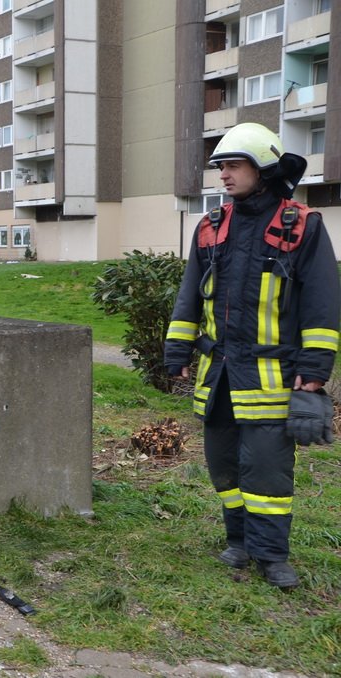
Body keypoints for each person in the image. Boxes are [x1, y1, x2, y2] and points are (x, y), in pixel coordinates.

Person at [164, 122, 339, 590]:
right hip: (218, 374)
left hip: (270, 375)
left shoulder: (302, 226)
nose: (223, 175)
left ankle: (271, 556)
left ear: (263, 169)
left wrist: (315, 369)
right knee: (224, 466)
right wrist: (177, 346)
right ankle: (238, 542)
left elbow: (322, 303)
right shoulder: (210, 226)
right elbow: (190, 295)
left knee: (266, 469)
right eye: (221, 166)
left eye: (233, 165)